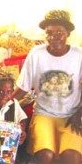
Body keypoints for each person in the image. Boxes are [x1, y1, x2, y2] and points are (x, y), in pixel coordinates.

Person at [13, 9, 82, 164]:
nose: (53, 37)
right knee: (46, 155)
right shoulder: (36, 53)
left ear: (68, 34)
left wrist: (79, 113)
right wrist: (1, 104)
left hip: (71, 115)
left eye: (59, 32)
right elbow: (23, 87)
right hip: (44, 114)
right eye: (49, 32)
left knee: (72, 157)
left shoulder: (79, 55)